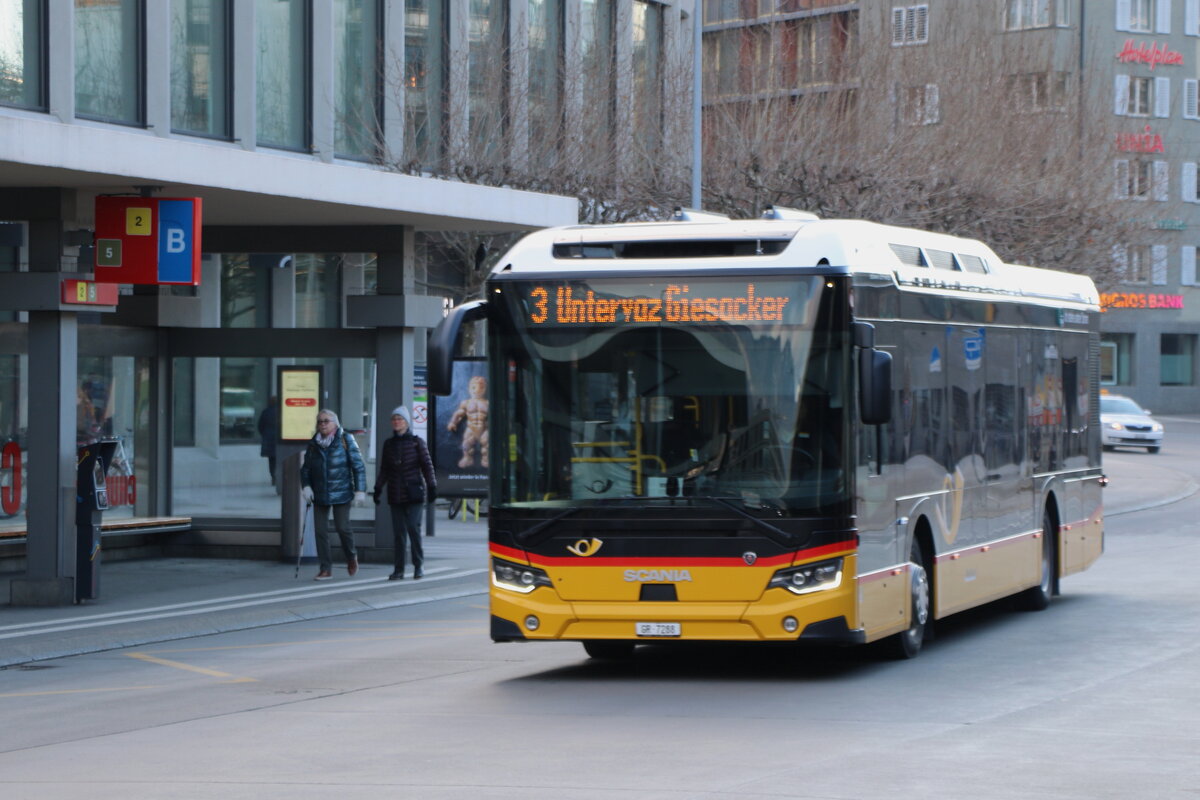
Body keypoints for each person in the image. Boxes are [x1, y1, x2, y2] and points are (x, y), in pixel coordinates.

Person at [300, 409, 367, 581]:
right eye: (320, 421)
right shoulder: (314, 444)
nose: (322, 424)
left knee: (342, 527)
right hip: (320, 493)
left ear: (335, 423)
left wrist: (360, 490)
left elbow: (358, 466)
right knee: (320, 531)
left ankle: (351, 556)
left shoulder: (346, 439)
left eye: (326, 421)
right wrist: (306, 486)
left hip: (342, 492)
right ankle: (325, 568)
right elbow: (305, 469)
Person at [374, 405, 436, 580]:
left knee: (412, 528)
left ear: (407, 422)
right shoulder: (389, 444)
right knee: (399, 533)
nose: (396, 422)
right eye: (394, 419)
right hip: (395, 494)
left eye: (399, 419)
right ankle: (398, 569)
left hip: (414, 493)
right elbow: (384, 469)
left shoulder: (417, 442)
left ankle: (418, 565)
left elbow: (427, 466)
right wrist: (378, 488)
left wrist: (432, 487)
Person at [447, 374, 489, 468]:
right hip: (471, 427)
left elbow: (495, 416)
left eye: (481, 386)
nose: (477, 389)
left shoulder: (487, 403)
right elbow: (458, 414)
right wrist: (453, 422)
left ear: (484, 388)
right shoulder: (466, 403)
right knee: (466, 444)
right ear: (470, 388)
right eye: (474, 386)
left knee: (487, 443)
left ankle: (486, 459)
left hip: (484, 428)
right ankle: (467, 458)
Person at [257, 397, 278, 490]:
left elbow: (260, 426)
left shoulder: (265, 412)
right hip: (279, 439)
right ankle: (279, 476)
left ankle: (273, 476)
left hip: (268, 438)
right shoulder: (281, 412)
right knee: (279, 458)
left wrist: (265, 434)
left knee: (271, 460)